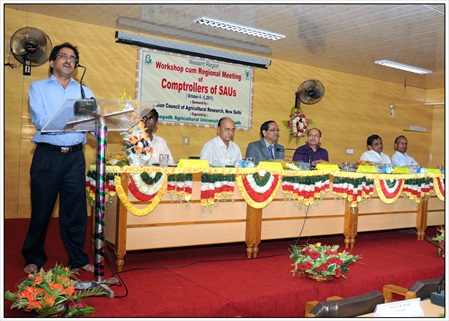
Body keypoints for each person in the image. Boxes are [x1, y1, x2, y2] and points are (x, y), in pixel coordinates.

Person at [22, 43, 94, 274]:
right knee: (42, 210)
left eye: (73, 58)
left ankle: (78, 258)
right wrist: (75, 122)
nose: (68, 60)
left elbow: (93, 125)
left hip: (75, 158)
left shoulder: (84, 92)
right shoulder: (38, 87)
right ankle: (33, 257)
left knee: (75, 212)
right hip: (48, 156)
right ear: (52, 62)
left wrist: (114, 126)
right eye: (63, 56)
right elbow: (42, 121)